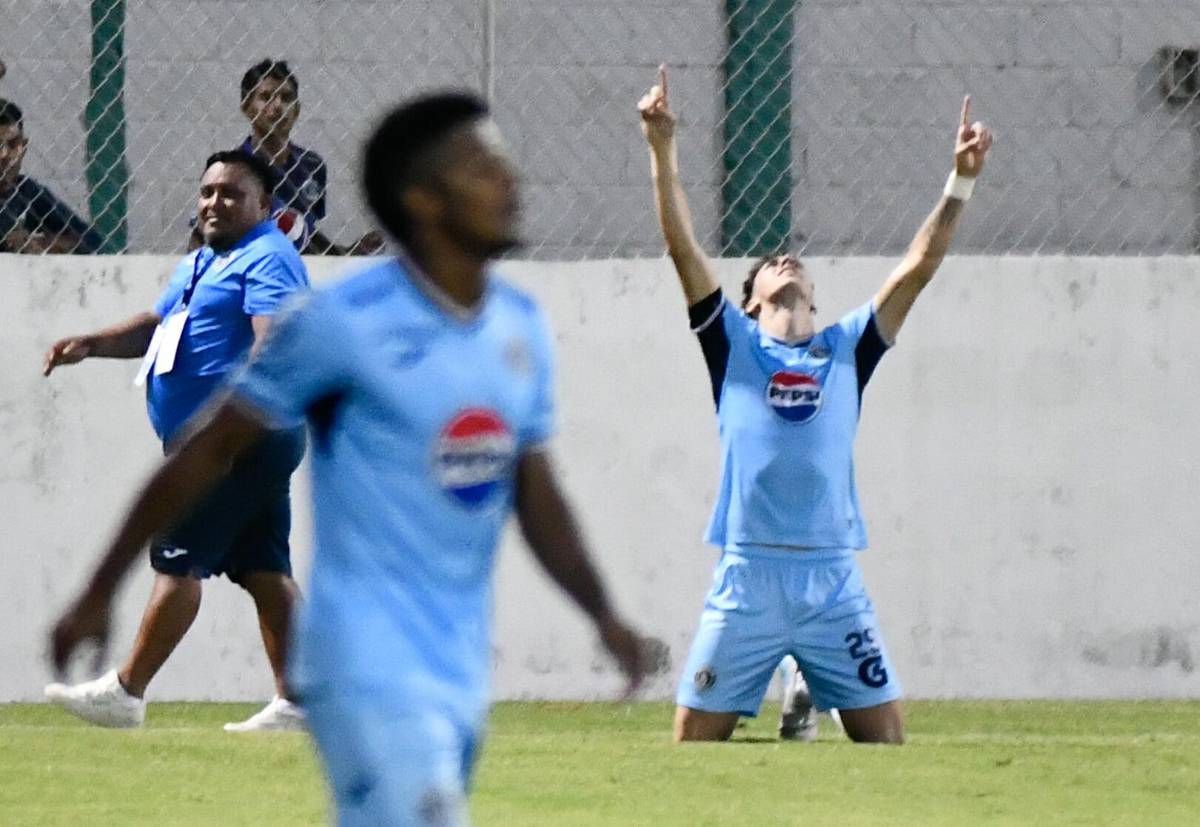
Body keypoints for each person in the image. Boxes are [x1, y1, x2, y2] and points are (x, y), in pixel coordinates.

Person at [49, 91, 647, 824]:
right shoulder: (343, 323)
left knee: (267, 577)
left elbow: (537, 492)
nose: (511, 182)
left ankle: (256, 695)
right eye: (484, 167)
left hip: (455, 661)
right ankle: (152, 687)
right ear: (424, 199)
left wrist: (604, 616)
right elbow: (206, 451)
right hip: (367, 656)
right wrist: (97, 588)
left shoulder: (518, 326)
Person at [638, 67, 992, 744]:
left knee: (886, 740)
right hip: (747, 573)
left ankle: (811, 677)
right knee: (689, 744)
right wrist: (661, 148)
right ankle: (793, 683)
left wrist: (962, 180)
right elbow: (681, 245)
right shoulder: (732, 342)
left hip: (830, 575)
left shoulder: (847, 348)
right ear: (750, 300)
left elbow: (916, 267)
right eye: (773, 263)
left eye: (796, 261)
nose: (788, 261)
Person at [43, 149, 310, 732]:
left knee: (177, 559)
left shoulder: (268, 257)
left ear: (265, 206)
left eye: (232, 194)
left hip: (238, 442)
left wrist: (229, 424)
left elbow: (276, 344)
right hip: (238, 443)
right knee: (264, 566)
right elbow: (157, 326)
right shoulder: (203, 262)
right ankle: (301, 701)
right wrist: (92, 342)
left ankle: (126, 691)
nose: (215, 202)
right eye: (208, 191)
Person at [235, 58, 381, 255]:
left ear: (297, 109)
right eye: (266, 97)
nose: (278, 106)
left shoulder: (312, 164)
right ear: (247, 107)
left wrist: (349, 252)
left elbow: (305, 234)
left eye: (286, 97)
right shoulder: (234, 168)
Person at [0, 98, 103, 253]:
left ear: (24, 146)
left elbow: (92, 241)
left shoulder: (25, 191)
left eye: (13, 144)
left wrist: (43, 244)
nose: (5, 155)